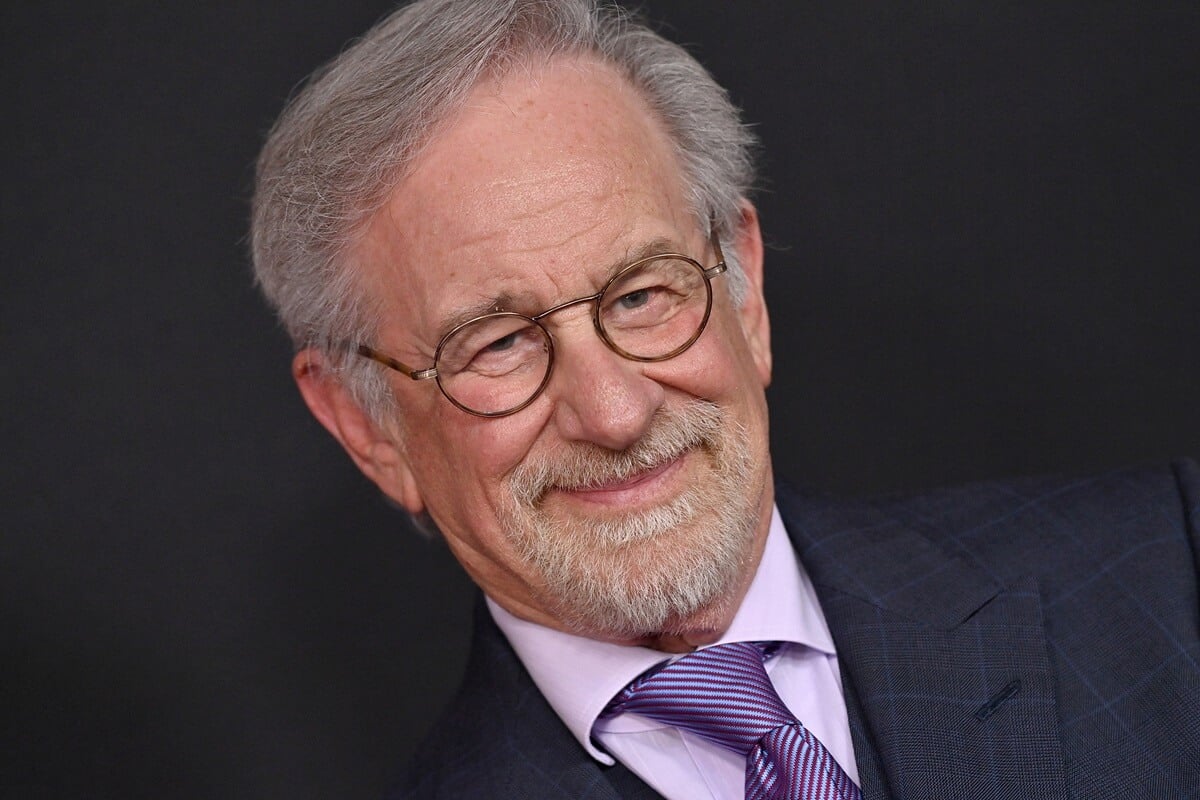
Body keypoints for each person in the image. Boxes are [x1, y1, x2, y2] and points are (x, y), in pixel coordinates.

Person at [250, 1, 1200, 797]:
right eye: (495, 344)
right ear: (367, 425)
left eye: (641, 294)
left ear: (744, 290)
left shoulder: (1169, 578)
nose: (616, 414)